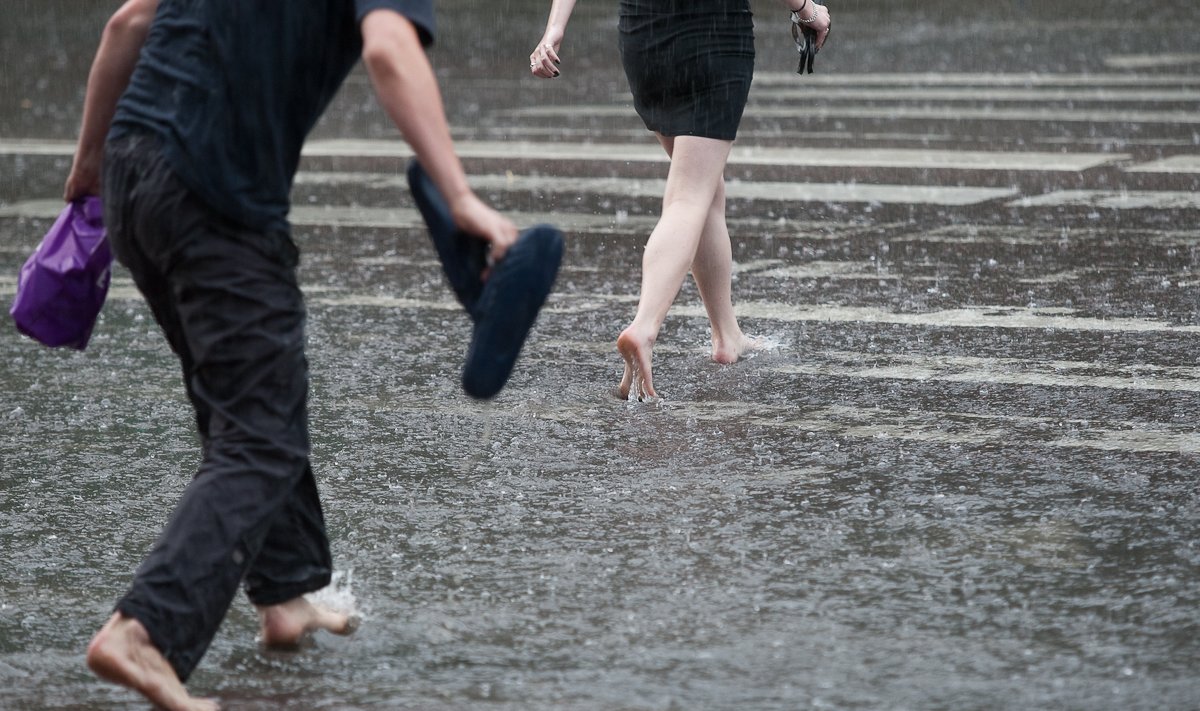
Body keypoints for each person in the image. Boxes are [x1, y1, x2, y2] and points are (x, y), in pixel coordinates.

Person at [63, 1, 520, 709]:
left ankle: (285, 594)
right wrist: (460, 196)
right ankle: (144, 629)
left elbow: (126, 24)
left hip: (134, 168)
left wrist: (91, 162)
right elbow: (389, 49)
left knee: (249, 397)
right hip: (215, 191)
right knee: (259, 435)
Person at [530, 0, 831, 400]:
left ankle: (727, 336)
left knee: (705, 187)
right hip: (711, 34)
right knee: (689, 196)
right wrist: (807, 9)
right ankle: (644, 328)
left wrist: (554, 29)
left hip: (644, 37)